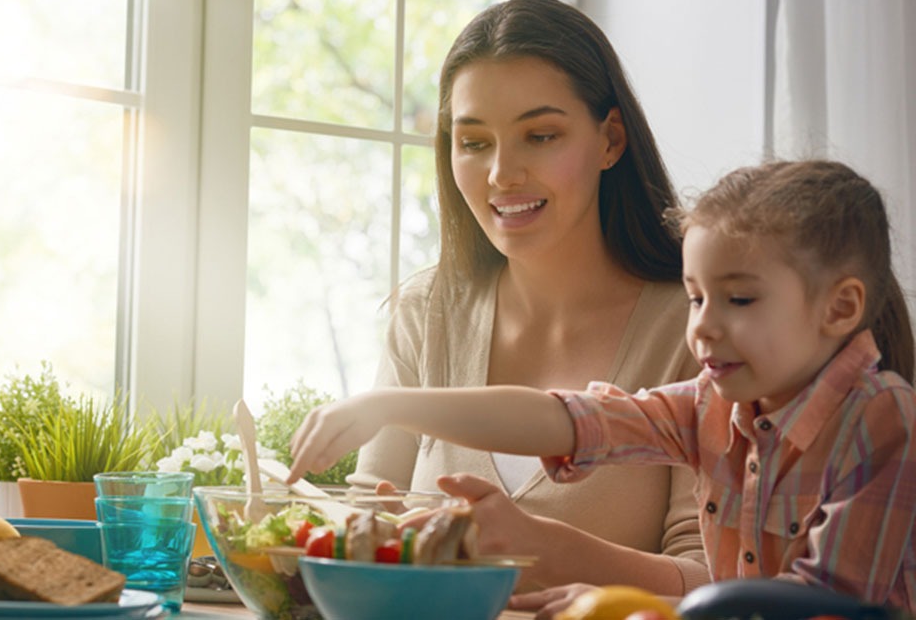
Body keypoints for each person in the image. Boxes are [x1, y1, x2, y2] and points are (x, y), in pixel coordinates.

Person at [290, 160, 916, 616]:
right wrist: (387, 406)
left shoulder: (882, 419)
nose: (703, 326)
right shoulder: (711, 403)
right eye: (696, 298)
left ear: (840, 308)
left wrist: (634, 605)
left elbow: (830, 604)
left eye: (740, 299)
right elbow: (565, 420)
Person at [345, 0, 710, 596]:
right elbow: (368, 518)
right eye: (474, 142)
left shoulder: (697, 328)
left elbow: (722, 581)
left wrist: (547, 549)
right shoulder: (426, 313)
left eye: (540, 136)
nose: (502, 174)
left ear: (610, 140)